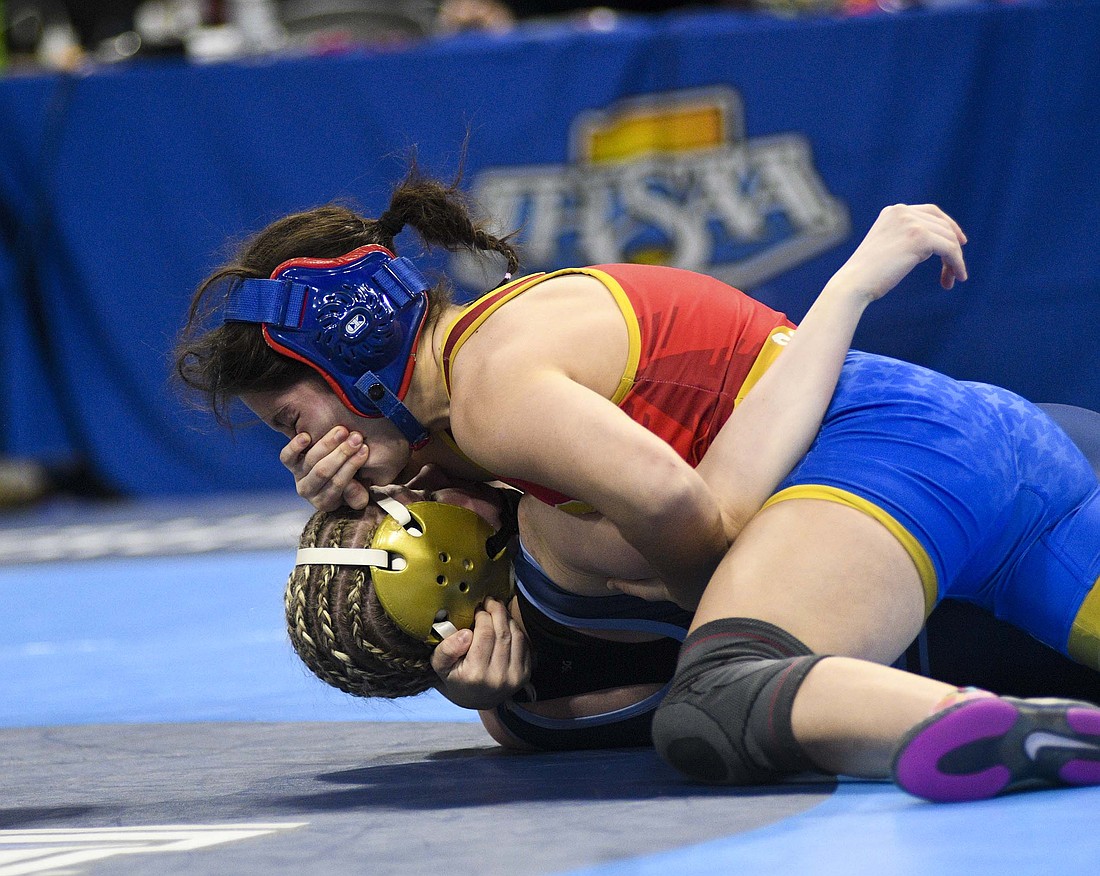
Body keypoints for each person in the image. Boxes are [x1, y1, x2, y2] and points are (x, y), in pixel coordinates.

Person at [176, 165, 1100, 801]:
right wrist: (398, 473)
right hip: (974, 447)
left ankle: (1012, 731)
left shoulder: (497, 398)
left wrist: (849, 287)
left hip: (891, 454)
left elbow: (710, 521)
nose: (305, 452)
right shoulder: (490, 371)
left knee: (726, 687)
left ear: (348, 365)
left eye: (292, 423)